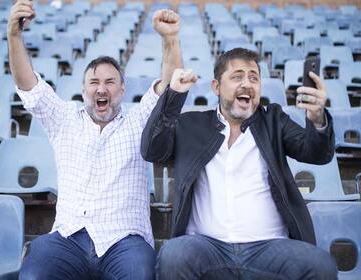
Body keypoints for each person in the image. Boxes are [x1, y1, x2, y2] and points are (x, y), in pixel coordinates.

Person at [7, 1, 182, 279]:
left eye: (110, 82)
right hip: (67, 239)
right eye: (94, 82)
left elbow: (171, 86)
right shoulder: (64, 118)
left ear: (122, 89)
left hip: (125, 240)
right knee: (34, 275)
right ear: (83, 89)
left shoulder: (139, 121)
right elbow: (28, 84)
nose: (102, 89)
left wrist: (170, 39)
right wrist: (14, 36)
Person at [141, 48, 338, 279]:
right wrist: (173, 96)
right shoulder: (191, 124)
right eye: (237, 77)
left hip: (269, 248)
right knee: (173, 256)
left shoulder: (274, 121)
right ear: (216, 87)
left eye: (254, 78)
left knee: (321, 265)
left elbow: (317, 153)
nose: (247, 84)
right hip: (206, 247)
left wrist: (317, 120)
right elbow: (151, 150)